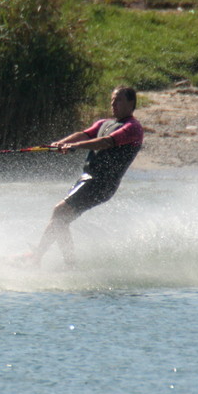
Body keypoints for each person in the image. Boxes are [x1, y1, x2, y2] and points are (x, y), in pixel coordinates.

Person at [29, 86, 144, 266]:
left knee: (59, 212)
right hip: (87, 179)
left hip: (102, 183)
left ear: (131, 103)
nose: (113, 104)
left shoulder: (133, 128)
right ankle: (70, 264)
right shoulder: (104, 123)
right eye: (112, 100)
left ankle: (36, 258)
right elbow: (84, 134)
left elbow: (106, 142)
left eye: (119, 100)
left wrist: (76, 146)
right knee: (61, 220)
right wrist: (61, 143)